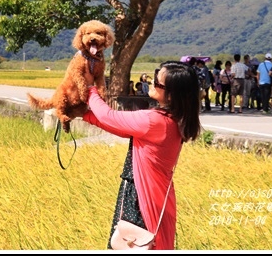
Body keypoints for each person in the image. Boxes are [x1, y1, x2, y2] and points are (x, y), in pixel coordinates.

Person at [82, 61, 201, 250]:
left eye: (158, 82)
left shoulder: (153, 121)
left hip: (139, 198)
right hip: (157, 195)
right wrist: (83, 114)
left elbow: (109, 117)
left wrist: (89, 88)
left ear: (172, 95)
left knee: (129, 245)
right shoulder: (173, 120)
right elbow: (121, 126)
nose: (152, 83)